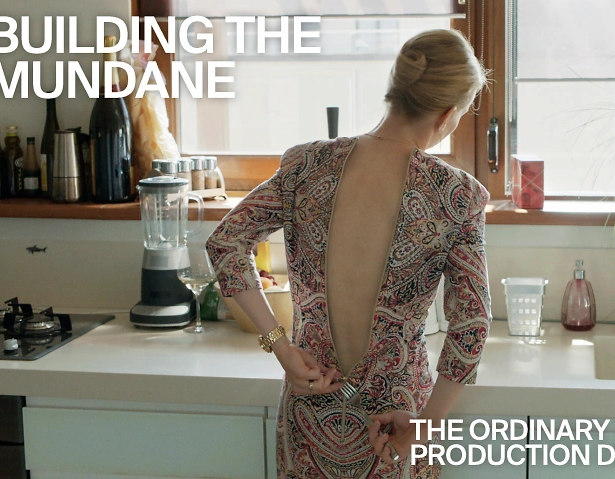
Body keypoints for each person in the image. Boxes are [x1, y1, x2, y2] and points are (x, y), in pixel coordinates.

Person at [206, 28, 491, 478]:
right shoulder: (457, 196)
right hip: (395, 427)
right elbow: (472, 324)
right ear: (447, 115)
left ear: (395, 92)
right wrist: (427, 425)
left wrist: (278, 345)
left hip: (309, 415)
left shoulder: (305, 166)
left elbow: (225, 242)